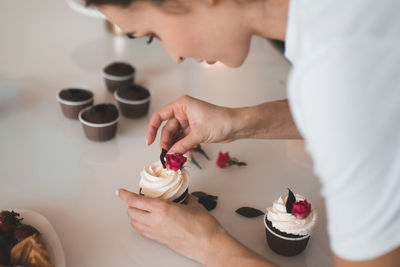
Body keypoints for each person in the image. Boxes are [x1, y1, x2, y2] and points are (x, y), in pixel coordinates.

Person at [85, 0, 400, 266]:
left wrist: (210, 246)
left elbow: (355, 107)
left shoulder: (342, 65)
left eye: (153, 35)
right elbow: (357, 110)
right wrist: (237, 122)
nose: (175, 56)